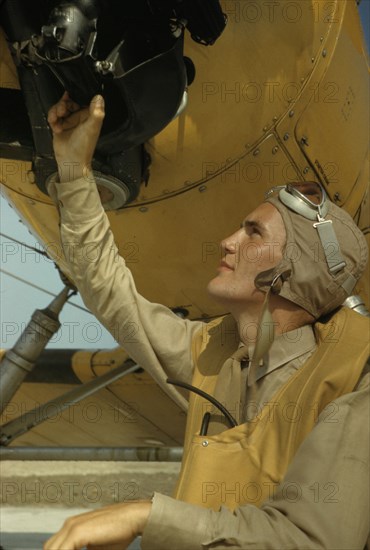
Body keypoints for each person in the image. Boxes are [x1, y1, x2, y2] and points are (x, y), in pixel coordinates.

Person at [44, 93, 369, 550]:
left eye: (252, 232)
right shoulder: (213, 353)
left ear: (292, 272)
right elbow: (109, 290)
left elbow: (313, 540)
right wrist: (75, 172)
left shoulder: (357, 383)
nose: (227, 241)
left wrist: (147, 515)